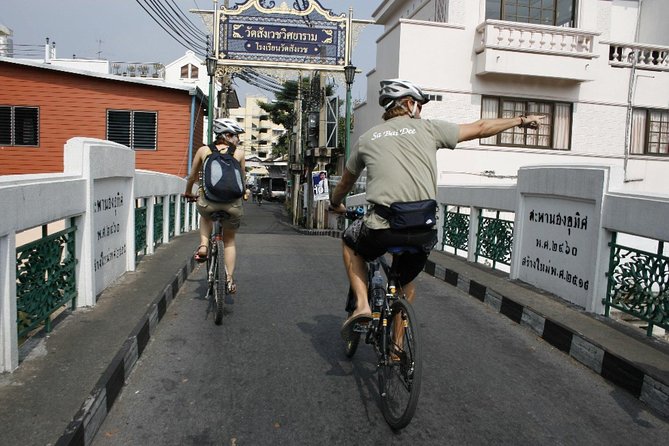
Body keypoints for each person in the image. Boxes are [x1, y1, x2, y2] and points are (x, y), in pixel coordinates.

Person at [329, 79, 544, 339]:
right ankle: (397, 346)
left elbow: (345, 182)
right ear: (409, 104)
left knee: (351, 243)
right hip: (423, 230)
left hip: (383, 228)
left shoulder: (368, 138)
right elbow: (481, 127)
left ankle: (362, 305)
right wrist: (521, 120)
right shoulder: (430, 130)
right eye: (419, 105)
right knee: (404, 284)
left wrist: (335, 203)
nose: (420, 111)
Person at [184, 117, 249, 294]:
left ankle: (204, 245)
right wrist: (245, 194)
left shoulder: (204, 150)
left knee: (205, 215)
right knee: (229, 241)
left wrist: (188, 192)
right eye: (235, 136)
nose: (237, 140)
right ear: (227, 135)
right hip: (232, 206)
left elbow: (192, 176)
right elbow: (242, 180)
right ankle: (228, 280)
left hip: (209, 202)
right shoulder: (240, 153)